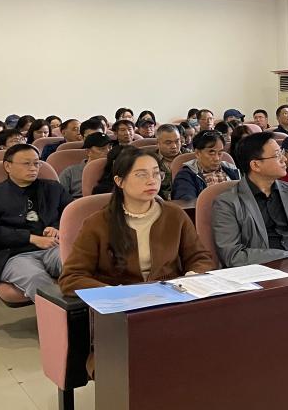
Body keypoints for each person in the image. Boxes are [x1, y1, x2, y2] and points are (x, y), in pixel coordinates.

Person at [59, 146, 216, 292]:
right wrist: (112, 292)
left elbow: (200, 258)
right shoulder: (98, 223)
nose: (151, 180)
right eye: (141, 175)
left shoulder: (174, 215)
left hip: (170, 297)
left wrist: (191, 277)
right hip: (121, 303)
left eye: (156, 174)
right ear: (119, 181)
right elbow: (72, 277)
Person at [211, 132, 288, 267]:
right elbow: (233, 255)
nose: (284, 159)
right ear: (255, 165)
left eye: (281, 153)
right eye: (277, 155)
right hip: (261, 270)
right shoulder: (227, 203)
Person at [0, 144, 72, 299]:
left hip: (54, 247)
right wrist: (31, 238)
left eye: (36, 163)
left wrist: (57, 228)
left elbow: (71, 214)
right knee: (36, 279)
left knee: (77, 265)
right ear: (8, 166)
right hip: (15, 254)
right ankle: (60, 314)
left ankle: (95, 310)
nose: (33, 168)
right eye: (26, 163)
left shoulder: (53, 188)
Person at [171, 130, 239, 200]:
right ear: (197, 153)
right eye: (211, 153)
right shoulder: (187, 175)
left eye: (220, 153)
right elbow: (187, 202)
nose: (217, 158)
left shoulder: (231, 169)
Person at [59, 132, 114, 198]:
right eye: (102, 149)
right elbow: (61, 198)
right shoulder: (70, 172)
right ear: (88, 152)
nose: (108, 152)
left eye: (110, 147)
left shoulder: (116, 169)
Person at [153, 124, 183, 200]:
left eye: (177, 141)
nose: (174, 146)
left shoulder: (190, 157)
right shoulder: (150, 160)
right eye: (168, 143)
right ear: (158, 143)